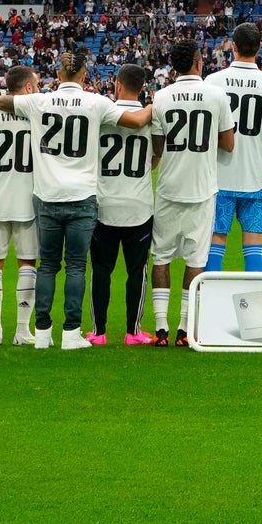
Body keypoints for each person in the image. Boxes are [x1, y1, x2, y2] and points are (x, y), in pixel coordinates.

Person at [0, 49, 152, 350]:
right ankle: (71, 333)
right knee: (76, 266)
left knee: (49, 265)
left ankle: (41, 333)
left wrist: (0, 100)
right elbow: (136, 120)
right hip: (82, 196)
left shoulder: (39, 100)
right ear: (85, 76)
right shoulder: (96, 102)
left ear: (57, 75)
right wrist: (158, 105)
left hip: (47, 195)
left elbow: (0, 101)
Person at [150, 40, 235, 347]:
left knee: (161, 257)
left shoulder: (161, 97)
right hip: (202, 188)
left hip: (170, 187)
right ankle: (184, 329)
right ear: (199, 63)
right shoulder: (216, 96)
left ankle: (161, 328)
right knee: (195, 260)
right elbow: (228, 144)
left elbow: (157, 148)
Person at [204, 23, 262, 274]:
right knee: (254, 251)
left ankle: (211, 309)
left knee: (216, 244)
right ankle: (254, 312)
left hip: (219, 178)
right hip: (257, 178)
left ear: (233, 46)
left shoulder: (213, 81)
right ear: (259, 48)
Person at [88, 65, 156, 347]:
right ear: (141, 87)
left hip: (104, 203)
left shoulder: (102, 114)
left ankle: (98, 332)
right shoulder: (152, 117)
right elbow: (156, 156)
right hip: (138, 205)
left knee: (101, 270)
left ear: (117, 85)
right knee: (137, 270)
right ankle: (133, 331)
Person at [0, 65, 39, 346]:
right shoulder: (39, 117)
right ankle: (22, 331)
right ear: (27, 88)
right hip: (29, 197)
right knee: (28, 262)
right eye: (36, 85)